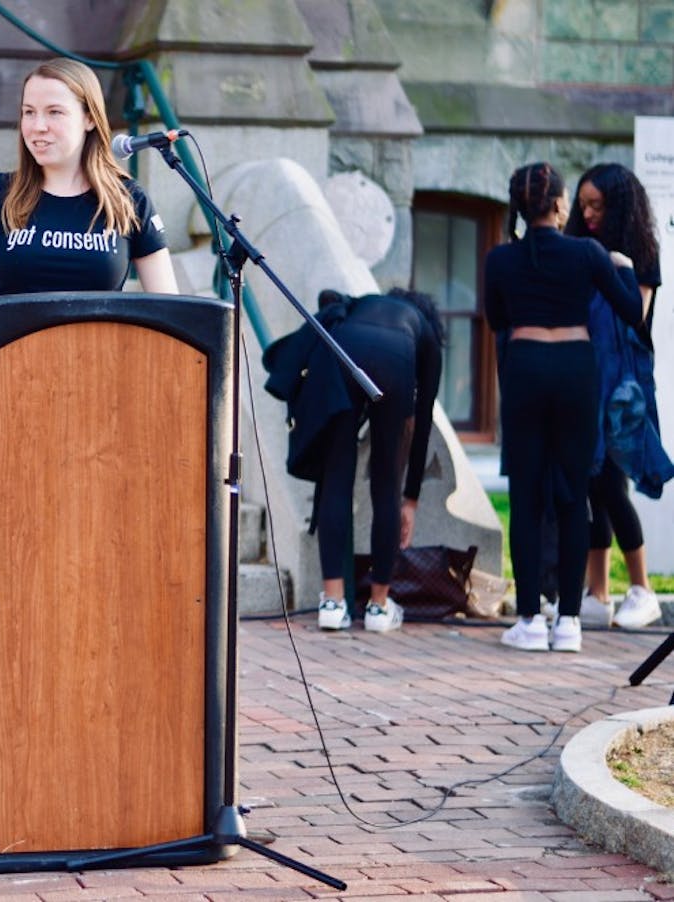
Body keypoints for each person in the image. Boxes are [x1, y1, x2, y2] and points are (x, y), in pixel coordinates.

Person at [485, 161, 644, 653]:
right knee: (576, 494)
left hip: (526, 367)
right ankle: (570, 622)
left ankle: (531, 619)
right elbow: (632, 314)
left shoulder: (499, 259)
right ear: (559, 204)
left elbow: (497, 319)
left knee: (528, 497)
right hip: (576, 369)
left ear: (519, 205)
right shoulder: (587, 253)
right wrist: (622, 267)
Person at [262, 288, 444, 634]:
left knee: (335, 476)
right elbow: (420, 427)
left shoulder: (364, 305)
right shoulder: (425, 332)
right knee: (386, 483)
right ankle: (378, 606)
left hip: (343, 351)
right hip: (396, 361)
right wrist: (411, 500)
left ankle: (332, 602)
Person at [0, 57, 178, 300]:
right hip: (9, 339)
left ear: (89, 119)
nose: (38, 126)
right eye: (29, 112)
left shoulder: (128, 199)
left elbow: (171, 310)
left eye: (54, 112)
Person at [563, 162, 667, 629]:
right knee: (592, 483)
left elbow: (636, 316)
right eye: (582, 204)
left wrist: (615, 267)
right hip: (584, 374)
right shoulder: (578, 246)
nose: (586, 213)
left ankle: (641, 588)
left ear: (618, 206)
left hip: (622, 382)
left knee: (611, 481)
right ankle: (598, 591)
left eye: (596, 205)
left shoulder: (640, 253)